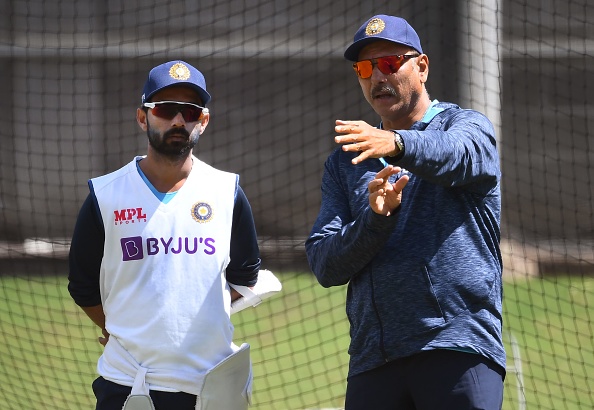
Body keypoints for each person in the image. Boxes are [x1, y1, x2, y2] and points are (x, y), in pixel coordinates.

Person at [305, 15, 506, 410]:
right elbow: (325, 263)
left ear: (422, 66)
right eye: (365, 68)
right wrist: (375, 221)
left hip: (457, 347)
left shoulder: (465, 126)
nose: (377, 77)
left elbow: (459, 157)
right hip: (374, 359)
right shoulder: (346, 161)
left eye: (390, 63)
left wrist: (397, 143)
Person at [68, 60, 260, 410]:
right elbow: (82, 284)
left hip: (209, 385)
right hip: (127, 383)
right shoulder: (106, 194)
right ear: (143, 117)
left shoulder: (226, 191)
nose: (177, 120)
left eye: (189, 112)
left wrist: (195, 315)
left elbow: (245, 274)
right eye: (166, 109)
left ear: (203, 120)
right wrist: (120, 327)